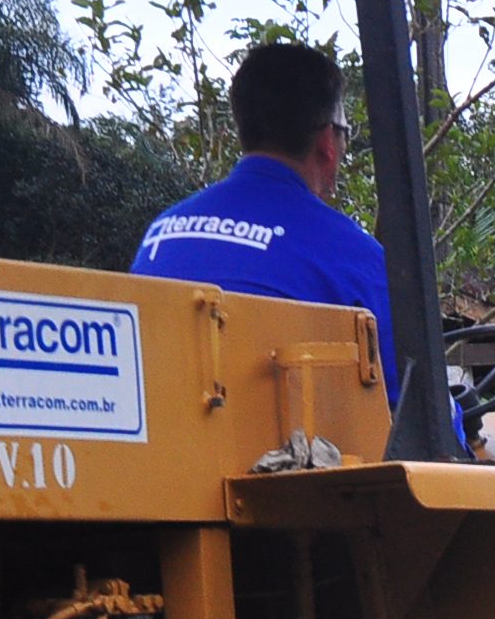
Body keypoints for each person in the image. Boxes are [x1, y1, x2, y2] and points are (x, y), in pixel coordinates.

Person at [129, 44, 397, 404]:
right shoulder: (357, 260)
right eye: (344, 132)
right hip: (295, 456)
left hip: (163, 454)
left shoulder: (161, 235)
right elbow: (416, 404)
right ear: (327, 143)